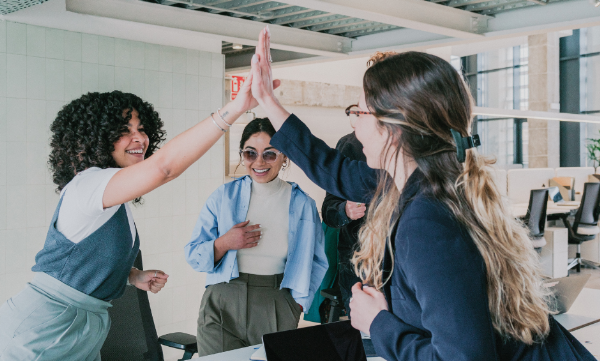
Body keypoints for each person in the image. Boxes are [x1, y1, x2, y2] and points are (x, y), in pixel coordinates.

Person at [246, 28, 595, 360]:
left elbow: (463, 359)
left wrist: (378, 323)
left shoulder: (427, 221)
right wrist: (267, 99)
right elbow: (333, 170)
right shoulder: (428, 180)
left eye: (361, 111)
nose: (354, 122)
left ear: (394, 130)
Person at [0, 72, 266, 360]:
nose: (139, 138)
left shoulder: (113, 197)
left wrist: (131, 276)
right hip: (44, 327)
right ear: (96, 138)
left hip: (84, 325)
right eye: (124, 131)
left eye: (141, 129)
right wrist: (234, 109)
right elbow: (164, 168)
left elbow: (84, 258)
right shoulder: (87, 184)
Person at [184, 117, 328, 356]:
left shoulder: (303, 204)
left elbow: (317, 260)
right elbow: (194, 255)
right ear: (243, 156)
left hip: (276, 301)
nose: (259, 162)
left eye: (270, 154)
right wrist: (224, 243)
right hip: (222, 300)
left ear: (284, 156)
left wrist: (298, 303)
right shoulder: (223, 197)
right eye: (250, 154)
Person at [321, 130, 366, 316]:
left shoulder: (416, 139)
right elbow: (329, 210)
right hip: (359, 265)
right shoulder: (351, 145)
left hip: (404, 261)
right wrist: (345, 210)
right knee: (365, 338)